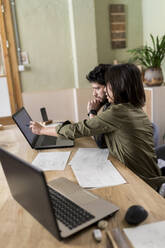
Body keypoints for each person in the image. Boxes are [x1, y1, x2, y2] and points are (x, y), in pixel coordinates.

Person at [30, 63, 165, 193]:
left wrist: (42, 130)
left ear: (119, 87)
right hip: (151, 177)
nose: (105, 90)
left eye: (108, 85)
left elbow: (78, 130)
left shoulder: (117, 112)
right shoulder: (134, 108)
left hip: (144, 185)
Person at [86, 64, 111, 148]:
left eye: (97, 88)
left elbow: (100, 142)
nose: (94, 94)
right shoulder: (107, 105)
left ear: (109, 86)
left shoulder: (114, 107)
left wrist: (92, 113)